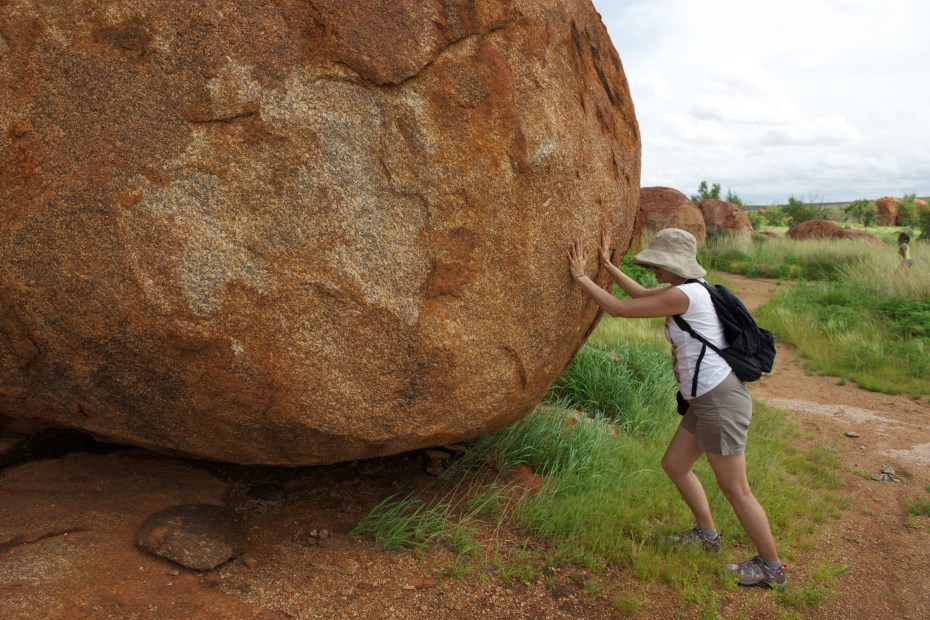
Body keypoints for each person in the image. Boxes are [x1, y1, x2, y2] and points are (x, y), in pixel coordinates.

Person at [567, 227, 786, 589]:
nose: (654, 269)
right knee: (675, 464)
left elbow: (621, 309)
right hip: (705, 400)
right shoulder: (689, 290)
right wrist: (605, 265)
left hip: (719, 401)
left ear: (676, 265)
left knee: (736, 488)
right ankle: (706, 535)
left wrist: (580, 277)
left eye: (658, 264)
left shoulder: (686, 296)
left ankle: (772, 568)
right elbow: (637, 294)